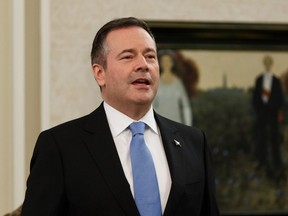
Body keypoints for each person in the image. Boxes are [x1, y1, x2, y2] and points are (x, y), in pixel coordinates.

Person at [21, 17, 219, 216]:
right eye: (127, 57)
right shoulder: (60, 146)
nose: (143, 65)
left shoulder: (194, 142)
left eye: (150, 56)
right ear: (100, 73)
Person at [252, 55, 284, 175]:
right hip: (261, 114)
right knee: (261, 139)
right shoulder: (259, 79)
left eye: (269, 62)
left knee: (274, 139)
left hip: (273, 114)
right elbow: (255, 98)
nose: (267, 64)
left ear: (271, 64)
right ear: (264, 64)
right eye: (265, 62)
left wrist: (272, 107)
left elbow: (280, 98)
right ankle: (262, 162)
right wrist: (259, 109)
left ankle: (277, 163)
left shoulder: (276, 80)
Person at [153, 50, 193, 126]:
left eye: (168, 61)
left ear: (172, 63)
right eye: (164, 61)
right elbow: (151, 106)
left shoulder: (178, 83)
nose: (166, 64)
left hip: (176, 125)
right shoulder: (156, 82)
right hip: (160, 125)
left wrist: (188, 126)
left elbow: (185, 107)